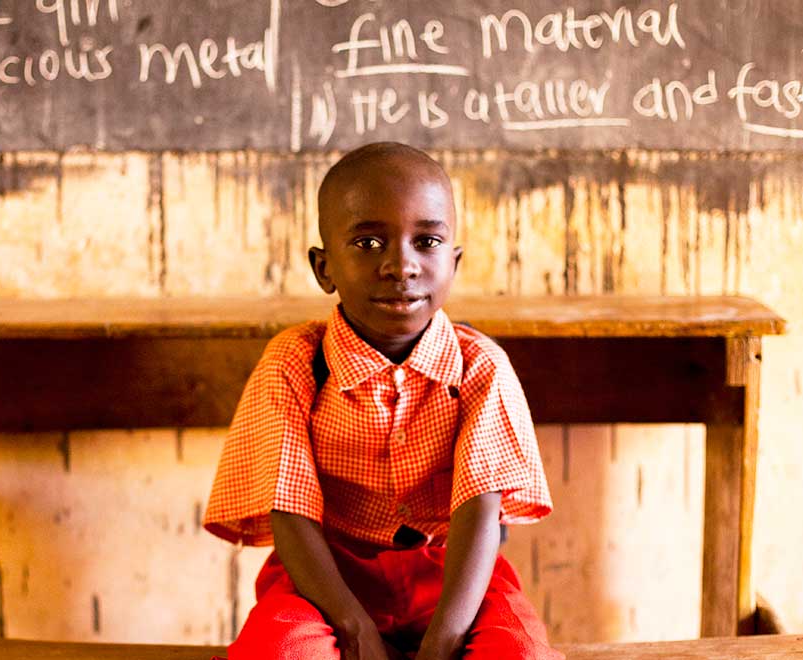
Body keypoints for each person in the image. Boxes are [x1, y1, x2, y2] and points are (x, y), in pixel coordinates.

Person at [204, 142, 561, 660]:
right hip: (325, 581)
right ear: (324, 268)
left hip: (455, 578)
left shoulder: (478, 366)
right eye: (369, 242)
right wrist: (353, 626)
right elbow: (290, 512)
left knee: (520, 653)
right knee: (281, 653)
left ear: (453, 262)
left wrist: (444, 641)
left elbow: (481, 511)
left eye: (427, 241)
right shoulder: (295, 363)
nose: (401, 265)